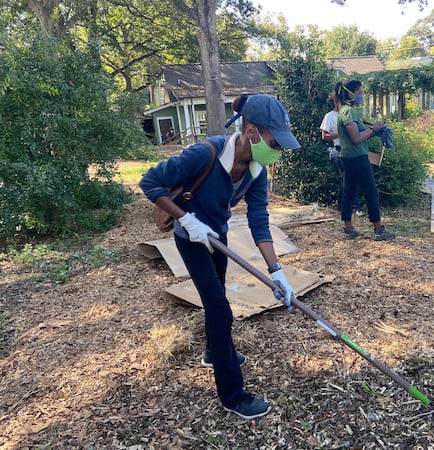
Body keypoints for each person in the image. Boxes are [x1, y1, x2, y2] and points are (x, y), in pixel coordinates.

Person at [139, 94, 300, 420]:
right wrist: (185, 218)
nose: (278, 150)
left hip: (219, 238)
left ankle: (214, 352)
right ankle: (233, 396)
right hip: (192, 239)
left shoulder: (257, 170)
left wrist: (277, 271)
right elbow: (150, 182)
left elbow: (258, 220)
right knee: (219, 309)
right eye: (275, 142)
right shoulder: (205, 154)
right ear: (252, 132)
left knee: (217, 299)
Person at [335, 79, 395, 241]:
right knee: (370, 191)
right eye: (359, 93)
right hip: (357, 158)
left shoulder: (345, 110)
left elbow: (360, 135)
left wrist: (374, 132)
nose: (361, 96)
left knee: (348, 192)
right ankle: (378, 230)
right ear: (349, 93)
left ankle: (348, 229)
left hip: (348, 157)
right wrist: (373, 129)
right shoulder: (348, 112)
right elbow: (356, 138)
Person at [320, 93, 362, 213]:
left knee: (348, 179)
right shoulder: (330, 116)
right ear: (336, 101)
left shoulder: (349, 113)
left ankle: (342, 205)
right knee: (348, 179)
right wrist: (342, 134)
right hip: (339, 150)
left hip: (352, 150)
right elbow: (324, 135)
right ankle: (353, 206)